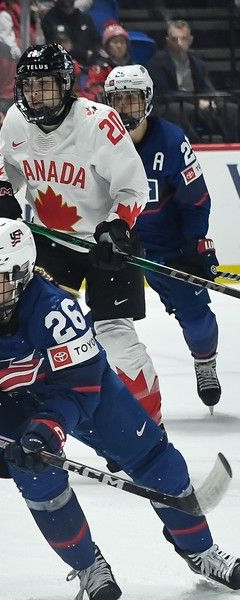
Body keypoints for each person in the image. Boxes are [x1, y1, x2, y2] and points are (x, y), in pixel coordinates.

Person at [0, 215, 240, 600]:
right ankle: (87, 563)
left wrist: (51, 426)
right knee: (37, 473)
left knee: (156, 460)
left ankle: (201, 551)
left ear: (22, 275)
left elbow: (79, 387)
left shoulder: (56, 312)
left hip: (77, 390)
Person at [0, 43, 161, 425]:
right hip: (50, 241)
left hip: (108, 243)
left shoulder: (99, 122)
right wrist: (0, 192)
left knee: (116, 338)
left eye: (46, 84)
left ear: (66, 85)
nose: (37, 94)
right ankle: (54, 423)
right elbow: (11, 168)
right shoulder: (14, 121)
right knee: (40, 334)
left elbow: (133, 188)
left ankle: (149, 428)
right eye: (29, 85)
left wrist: (118, 227)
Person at [102, 65, 222, 410]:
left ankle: (205, 362)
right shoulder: (97, 141)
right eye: (117, 99)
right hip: (117, 245)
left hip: (168, 246)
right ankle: (115, 393)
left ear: (147, 100)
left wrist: (193, 245)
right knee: (104, 324)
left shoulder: (170, 141)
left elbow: (195, 199)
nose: (125, 107)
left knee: (198, 320)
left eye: (132, 98)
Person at [146, 19, 238, 143]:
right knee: (181, 110)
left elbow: (206, 87)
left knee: (230, 109)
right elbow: (165, 93)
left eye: (183, 39)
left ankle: (233, 145)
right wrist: (195, 101)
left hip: (197, 102)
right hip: (170, 105)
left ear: (190, 40)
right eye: (175, 39)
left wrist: (214, 101)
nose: (179, 43)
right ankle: (195, 146)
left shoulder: (198, 63)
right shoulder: (156, 63)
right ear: (168, 41)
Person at [41, 0, 98, 68]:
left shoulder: (85, 19)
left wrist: (74, 51)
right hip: (61, 68)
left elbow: (96, 47)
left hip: (88, 70)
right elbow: (60, 51)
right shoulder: (49, 20)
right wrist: (85, 53)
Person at [83, 21, 131, 102]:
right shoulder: (100, 68)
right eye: (115, 42)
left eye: (122, 42)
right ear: (107, 46)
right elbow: (93, 91)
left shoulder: (134, 66)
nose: (119, 46)